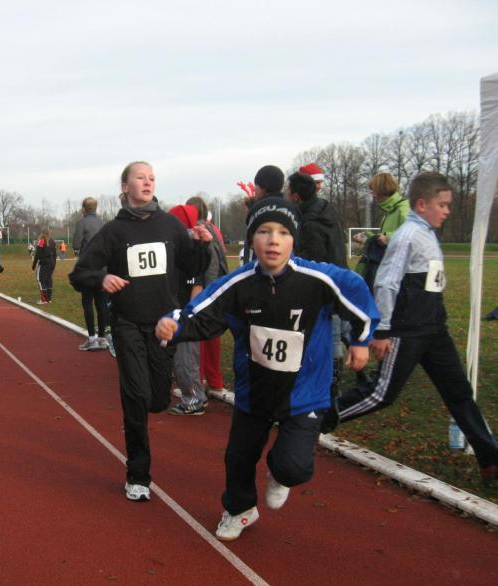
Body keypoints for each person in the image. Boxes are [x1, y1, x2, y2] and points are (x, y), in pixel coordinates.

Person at [155, 197, 378, 541]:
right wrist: (174, 324)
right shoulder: (239, 284)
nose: (273, 240)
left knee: (294, 467)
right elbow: (202, 311)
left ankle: (281, 473)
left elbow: (356, 292)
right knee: (238, 458)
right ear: (251, 240)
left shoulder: (317, 278)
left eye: (283, 233)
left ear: (294, 240)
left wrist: (362, 339)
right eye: (264, 231)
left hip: (304, 392)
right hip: (254, 390)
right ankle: (240, 509)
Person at [323, 172, 498, 482]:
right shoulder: (407, 236)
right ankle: (315, 421)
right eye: (442, 205)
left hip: (435, 330)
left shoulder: (428, 234)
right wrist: (382, 331)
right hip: (407, 330)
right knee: (381, 394)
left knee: (459, 392)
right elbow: (386, 283)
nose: (447, 211)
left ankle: (491, 459)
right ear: (421, 204)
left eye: (448, 205)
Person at [69, 160, 212, 502]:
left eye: (152, 178)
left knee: (158, 400)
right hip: (127, 323)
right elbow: (79, 273)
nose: (147, 183)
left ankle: (149, 404)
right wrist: (102, 278)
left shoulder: (170, 225)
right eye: (140, 178)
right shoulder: (113, 232)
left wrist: (202, 246)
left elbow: (193, 268)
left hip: (163, 325)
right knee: (135, 396)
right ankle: (138, 475)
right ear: (125, 187)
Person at [287, 171, 348, 397]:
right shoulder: (327, 210)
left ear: (295, 196)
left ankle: (331, 386)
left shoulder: (310, 223)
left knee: (329, 336)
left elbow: (315, 259)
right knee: (338, 332)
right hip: (338, 277)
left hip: (324, 286)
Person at [185, 196, 233, 405]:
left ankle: (198, 383)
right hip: (216, 289)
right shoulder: (213, 228)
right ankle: (214, 382)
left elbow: (210, 264)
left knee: (200, 338)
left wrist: (205, 293)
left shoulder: (202, 231)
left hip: (208, 291)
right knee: (211, 337)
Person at [166, 204, 209, 416]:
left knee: (185, 359)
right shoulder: (183, 250)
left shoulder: (192, 251)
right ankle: (192, 393)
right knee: (182, 359)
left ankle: (194, 400)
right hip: (177, 310)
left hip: (184, 314)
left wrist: (188, 315)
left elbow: (197, 283)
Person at [353, 173, 409, 289]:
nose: (372, 196)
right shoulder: (389, 211)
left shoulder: (404, 208)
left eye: (373, 191)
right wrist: (367, 237)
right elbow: (383, 239)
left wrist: (388, 238)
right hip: (389, 268)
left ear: (382, 190)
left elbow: (411, 235)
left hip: (400, 273)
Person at [73, 197, 109, 351]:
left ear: (83, 209)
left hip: (87, 269)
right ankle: (102, 338)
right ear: (96, 208)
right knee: (101, 304)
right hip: (103, 269)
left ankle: (92, 338)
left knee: (87, 302)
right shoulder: (104, 223)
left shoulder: (81, 223)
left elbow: (75, 245)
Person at [242, 165, 285, 265]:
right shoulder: (287, 209)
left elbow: (252, 247)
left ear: (264, 186)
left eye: (256, 185)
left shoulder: (260, 212)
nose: (254, 189)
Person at [32, 227, 57, 305]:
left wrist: (34, 265)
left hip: (44, 263)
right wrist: (54, 264)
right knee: (48, 279)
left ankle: (44, 300)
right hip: (52, 262)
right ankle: (49, 299)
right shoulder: (52, 241)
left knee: (40, 280)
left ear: (42, 233)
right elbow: (55, 254)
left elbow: (37, 254)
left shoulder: (41, 241)